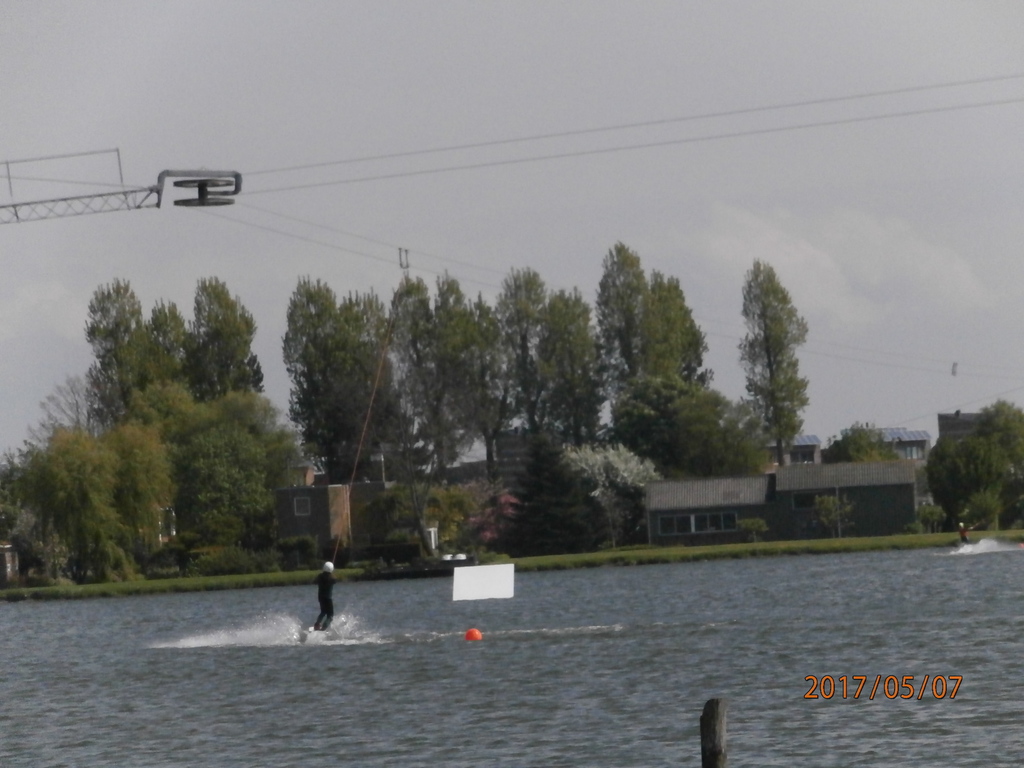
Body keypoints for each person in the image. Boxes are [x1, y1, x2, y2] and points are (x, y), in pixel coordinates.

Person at [314, 561, 335, 631]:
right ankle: (324, 627)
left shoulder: (319, 576)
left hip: (320, 597)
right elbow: (335, 580)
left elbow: (317, 579)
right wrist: (331, 573)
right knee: (330, 615)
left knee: (323, 612)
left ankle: (317, 624)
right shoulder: (332, 579)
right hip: (328, 598)